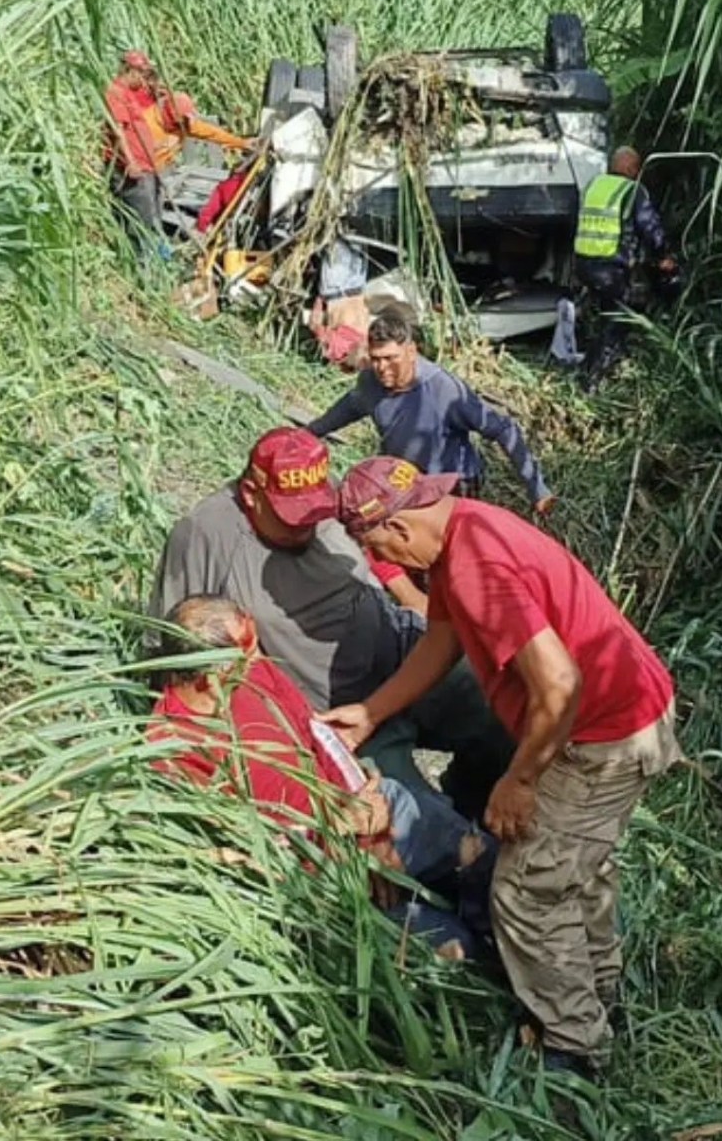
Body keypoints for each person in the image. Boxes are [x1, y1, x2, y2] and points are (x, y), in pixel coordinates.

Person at [323, 456, 682, 1078]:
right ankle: (600, 994)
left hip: (603, 737)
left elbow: (560, 685)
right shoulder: (465, 530)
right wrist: (372, 712)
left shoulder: (476, 566)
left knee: (526, 892)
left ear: (398, 530)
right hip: (628, 711)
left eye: (370, 542)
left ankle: (576, 1052)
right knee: (576, 868)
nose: (377, 558)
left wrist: (518, 780)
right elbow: (443, 639)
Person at [148, 426, 514, 820]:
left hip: (403, 652)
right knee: (413, 827)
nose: (307, 525)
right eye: (291, 519)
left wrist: (410, 596)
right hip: (334, 713)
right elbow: (173, 654)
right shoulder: (205, 534)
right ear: (253, 496)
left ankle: (477, 804)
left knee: (505, 709)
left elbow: (376, 542)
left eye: (316, 513)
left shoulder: (316, 494)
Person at [150, 595, 497, 956]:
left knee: (481, 862)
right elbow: (237, 852)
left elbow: (319, 736)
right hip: (318, 876)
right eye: (246, 646)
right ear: (211, 676)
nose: (256, 655)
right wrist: (335, 838)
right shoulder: (174, 751)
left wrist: (368, 827)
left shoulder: (254, 673)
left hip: (369, 814)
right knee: (454, 952)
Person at [308, 310, 555, 514]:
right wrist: (308, 434)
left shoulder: (444, 390)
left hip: (451, 485)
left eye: (390, 358)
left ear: (411, 352)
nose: (382, 368)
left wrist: (538, 490)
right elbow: (348, 408)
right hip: (404, 480)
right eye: (376, 359)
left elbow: (504, 429)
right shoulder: (370, 382)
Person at [103, 50, 256, 244]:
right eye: (141, 74)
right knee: (144, 219)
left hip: (154, 171)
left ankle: (157, 253)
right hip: (140, 170)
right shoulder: (147, 117)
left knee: (155, 214)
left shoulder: (178, 120)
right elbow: (120, 131)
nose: (184, 127)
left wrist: (242, 143)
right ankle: (145, 260)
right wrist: (132, 163)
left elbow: (210, 132)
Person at [572, 146, 680, 386]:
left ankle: (588, 363)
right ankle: (592, 380)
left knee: (601, 313)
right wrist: (664, 255)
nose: (638, 172)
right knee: (619, 319)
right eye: (637, 167)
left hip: (583, 265)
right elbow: (649, 227)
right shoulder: (633, 190)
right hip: (609, 269)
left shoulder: (593, 185)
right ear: (630, 167)